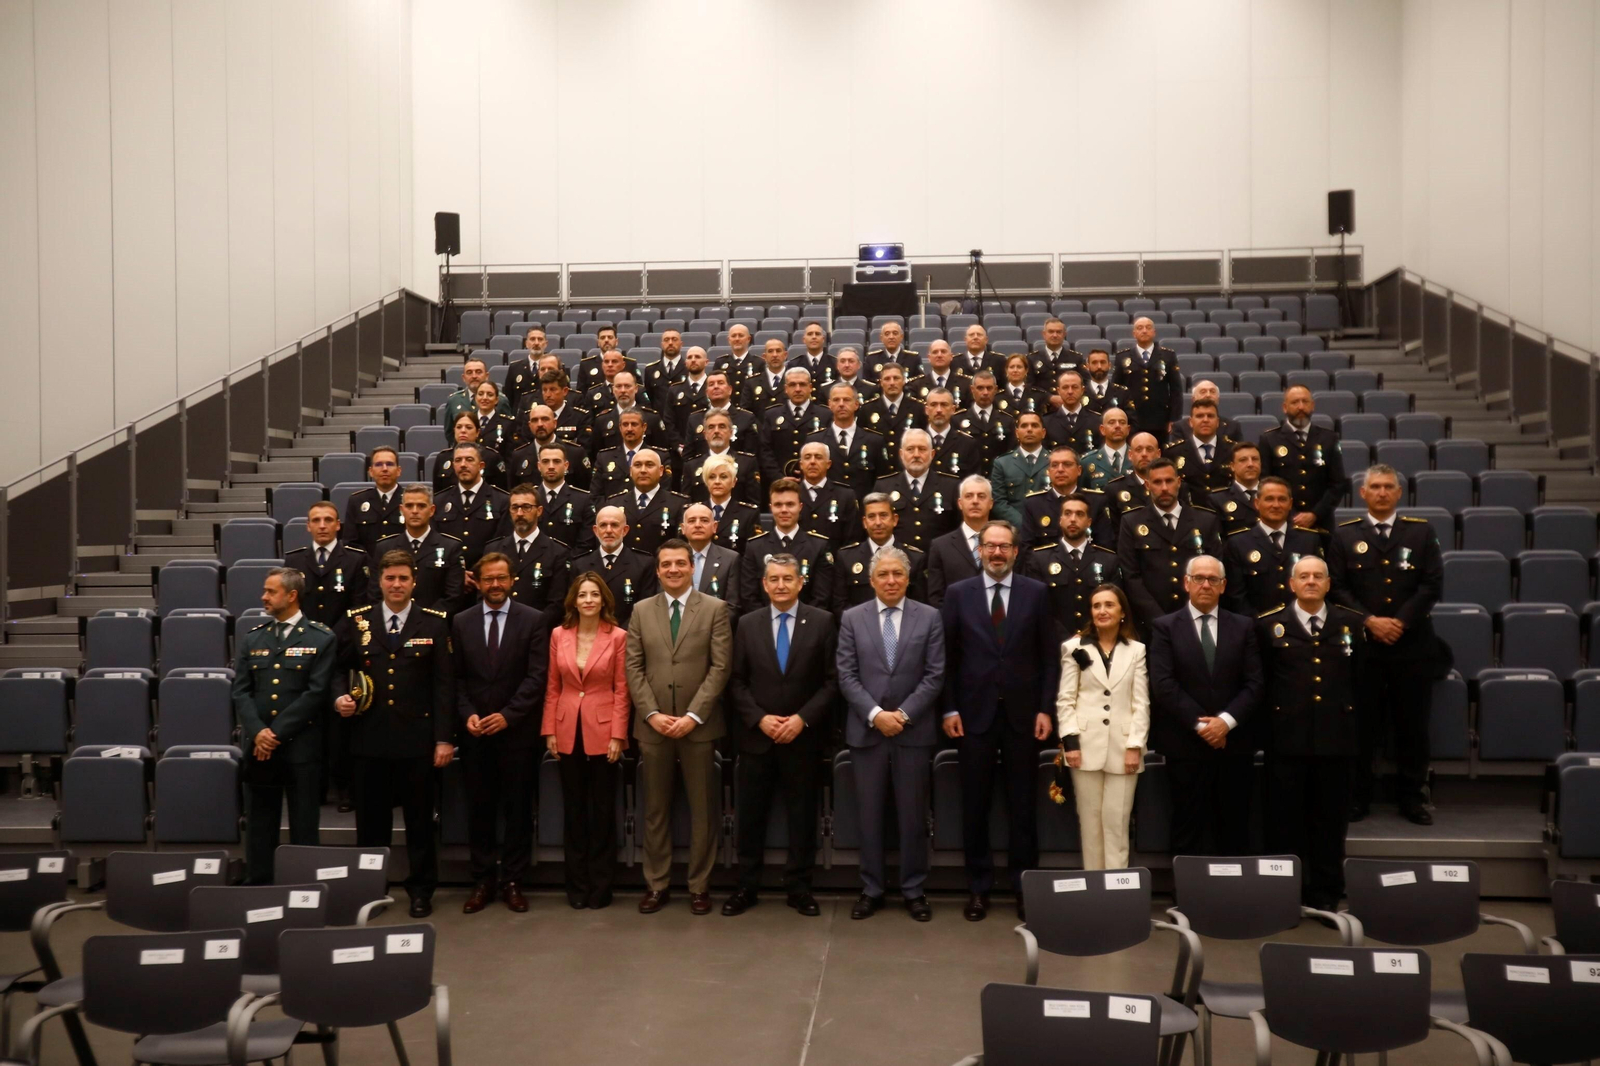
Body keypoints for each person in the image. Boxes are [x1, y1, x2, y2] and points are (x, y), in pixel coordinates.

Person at [940, 520, 1058, 921]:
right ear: (979, 552)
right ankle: (978, 888)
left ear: (1015, 551)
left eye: (1003, 547)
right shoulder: (958, 594)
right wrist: (950, 708)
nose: (995, 553)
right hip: (972, 717)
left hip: (1025, 717)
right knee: (975, 805)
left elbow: (1049, 658)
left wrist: (1046, 709)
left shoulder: (1037, 593)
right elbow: (948, 659)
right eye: (989, 547)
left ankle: (1025, 889)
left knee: (1023, 807)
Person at [335, 551, 457, 918]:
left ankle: (421, 891)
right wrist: (339, 696)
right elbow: (338, 669)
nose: (397, 585)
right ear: (380, 581)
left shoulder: (433, 624)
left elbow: (444, 687)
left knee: (420, 823)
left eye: (404, 578)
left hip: (417, 741)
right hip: (369, 739)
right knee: (371, 826)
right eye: (390, 578)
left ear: (414, 581)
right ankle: (371, 890)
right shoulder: (357, 622)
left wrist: (443, 738)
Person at [1329, 464, 1446, 825]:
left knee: (1412, 727)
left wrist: (1400, 622)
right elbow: (1337, 587)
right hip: (1363, 648)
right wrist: (1369, 621)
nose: (1381, 492)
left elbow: (1431, 584)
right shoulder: (1344, 536)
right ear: (1362, 494)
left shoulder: (1421, 533)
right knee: (1361, 727)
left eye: (1388, 487)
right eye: (1374, 487)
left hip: (1411, 646)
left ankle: (1412, 798)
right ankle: (1356, 797)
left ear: (1399, 493)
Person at [723, 555, 839, 917]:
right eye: (773, 579)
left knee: (802, 816)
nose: (780, 585)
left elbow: (832, 681)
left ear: (800, 582)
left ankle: (799, 888)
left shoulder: (822, 622)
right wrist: (759, 719)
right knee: (751, 816)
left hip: (802, 738)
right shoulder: (747, 623)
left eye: (788, 579)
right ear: (763, 583)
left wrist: (802, 719)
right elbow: (736, 681)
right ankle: (747, 886)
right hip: (758, 737)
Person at [837, 548, 945, 921]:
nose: (891, 580)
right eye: (883, 574)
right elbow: (847, 675)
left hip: (912, 731)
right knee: (869, 816)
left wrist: (901, 715)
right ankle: (872, 888)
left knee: (913, 816)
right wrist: (875, 714)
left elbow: (935, 675)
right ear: (871, 580)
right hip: (867, 733)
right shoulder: (852, 618)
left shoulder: (929, 617)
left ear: (908, 577)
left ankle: (914, 890)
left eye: (897, 573)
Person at [627, 540, 733, 916]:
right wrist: (653, 713)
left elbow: (720, 668)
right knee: (655, 810)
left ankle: (699, 886)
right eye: (666, 564)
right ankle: (656, 884)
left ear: (692, 568)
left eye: (680, 564)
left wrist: (693, 715)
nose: (673, 570)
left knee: (703, 810)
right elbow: (633, 668)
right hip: (653, 727)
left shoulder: (716, 609)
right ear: (657, 571)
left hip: (698, 726)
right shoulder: (640, 611)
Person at [1259, 556, 1365, 912]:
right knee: (1283, 824)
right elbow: (1262, 685)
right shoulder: (1270, 625)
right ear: (1291, 584)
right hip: (1286, 742)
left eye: (1318, 576)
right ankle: (1283, 898)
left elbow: (1363, 685)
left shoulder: (1351, 624)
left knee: (1330, 824)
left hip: (1336, 742)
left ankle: (1325, 897)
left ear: (1328, 583)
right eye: (1303, 576)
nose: (1310, 581)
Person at [452, 553, 549, 915]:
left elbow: (537, 676)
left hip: (517, 733)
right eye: (488, 579)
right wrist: (468, 715)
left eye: (501, 579)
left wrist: (508, 716)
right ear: (477, 582)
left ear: (513, 581)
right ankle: (482, 880)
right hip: (475, 733)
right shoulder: (461, 622)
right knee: (479, 809)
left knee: (518, 809)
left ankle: (512, 880)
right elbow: (457, 679)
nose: (495, 585)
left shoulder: (534, 620)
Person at [1147, 555, 1263, 856]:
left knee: (1234, 825)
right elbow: (1163, 685)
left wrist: (1225, 722)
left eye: (1213, 579)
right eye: (1199, 578)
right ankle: (1185, 897)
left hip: (1233, 743)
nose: (1206, 585)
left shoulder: (1244, 626)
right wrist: (1203, 725)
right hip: (1185, 743)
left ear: (1224, 586)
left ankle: (1234, 895)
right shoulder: (1164, 627)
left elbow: (1254, 684)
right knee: (1187, 824)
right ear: (1187, 583)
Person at [232, 568, 336, 883]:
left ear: (291, 595)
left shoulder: (321, 638)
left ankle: (304, 890)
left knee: (305, 823)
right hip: (260, 747)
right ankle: (259, 884)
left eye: (271, 591)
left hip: (300, 747)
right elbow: (241, 690)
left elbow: (316, 693)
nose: (264, 597)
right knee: (260, 822)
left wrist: (274, 734)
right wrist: (257, 731)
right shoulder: (254, 637)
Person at [543, 572, 630, 909]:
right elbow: (553, 686)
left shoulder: (618, 636)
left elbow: (622, 690)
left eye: (595, 595)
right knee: (574, 812)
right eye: (583, 595)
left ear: (604, 600)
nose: (589, 600)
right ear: (574, 601)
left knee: (602, 812)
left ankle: (601, 887)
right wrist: (549, 729)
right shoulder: (558, 634)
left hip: (604, 731)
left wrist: (618, 735)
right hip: (566, 731)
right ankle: (576, 887)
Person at [1055, 584, 1148, 870]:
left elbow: (1140, 703)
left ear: (1122, 612)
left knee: (1117, 823)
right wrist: (1071, 743)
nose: (1102, 610)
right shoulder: (1074, 647)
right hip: (1084, 747)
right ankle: (1094, 891)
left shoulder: (1136, 650)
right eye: (1096, 606)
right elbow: (1066, 699)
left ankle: (1117, 891)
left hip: (1124, 749)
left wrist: (1135, 746)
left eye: (1109, 605)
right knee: (1091, 824)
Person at [1117, 458, 1224, 632]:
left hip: (1198, 619)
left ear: (1178, 482)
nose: (1164, 488)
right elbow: (1131, 577)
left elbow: (1215, 569)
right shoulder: (1131, 522)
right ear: (1147, 486)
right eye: (1157, 482)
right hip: (1151, 623)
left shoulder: (1205, 520)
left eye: (1169, 481)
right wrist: (1159, 620)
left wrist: (1194, 614)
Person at [1025, 493, 1122, 642]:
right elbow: (1038, 607)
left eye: (1079, 514)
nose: (1073, 519)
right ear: (1060, 520)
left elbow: (1114, 606)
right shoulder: (1039, 559)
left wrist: (1089, 637)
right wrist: (1067, 640)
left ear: (1089, 522)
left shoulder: (1108, 560)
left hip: (1098, 642)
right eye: (1067, 513)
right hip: (1054, 645)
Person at [1223, 476, 1323, 615]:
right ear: (1257, 503)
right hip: (1256, 629)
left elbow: (1319, 588)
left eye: (1282, 499)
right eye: (1269, 499)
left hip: (1300, 628)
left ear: (1290, 504)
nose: (1276, 505)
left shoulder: (1309, 540)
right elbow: (1236, 597)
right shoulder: (1238, 543)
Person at [1259, 385, 1349, 532]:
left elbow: (1337, 484)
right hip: (1282, 523)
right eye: (1295, 402)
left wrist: (1315, 514)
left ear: (1312, 406)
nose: (1301, 407)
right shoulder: (1269, 440)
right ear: (1285, 407)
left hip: (1321, 524)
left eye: (1305, 402)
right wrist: (1291, 515)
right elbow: (1264, 482)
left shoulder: (1329, 439)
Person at [740, 479, 835, 613]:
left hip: (807, 625)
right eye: (778, 505)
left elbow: (821, 597)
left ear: (800, 507)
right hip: (764, 625)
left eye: (790, 504)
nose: (784, 510)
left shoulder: (818, 546)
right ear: (771, 507)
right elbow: (749, 596)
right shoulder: (755, 547)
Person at [557, 505, 658, 627]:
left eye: (614, 525)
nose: (608, 530)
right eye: (603, 525)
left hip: (629, 636)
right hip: (590, 635)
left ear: (625, 530)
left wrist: (619, 636)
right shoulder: (580, 564)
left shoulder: (643, 563)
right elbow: (573, 607)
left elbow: (645, 609)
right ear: (595, 530)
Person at [373, 485, 466, 614]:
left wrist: (427, 619)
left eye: (421, 506)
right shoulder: (384, 548)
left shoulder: (450, 547)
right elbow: (375, 594)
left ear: (432, 510)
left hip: (435, 625)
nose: (415, 511)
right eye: (409, 506)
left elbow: (453, 596)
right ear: (401, 510)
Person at [482, 483, 568, 620]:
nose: (520, 513)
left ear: (539, 511)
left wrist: (532, 627)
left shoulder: (556, 552)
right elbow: (483, 595)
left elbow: (557, 603)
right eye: (515, 508)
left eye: (526, 507)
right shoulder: (494, 549)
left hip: (537, 631)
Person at [833, 492, 929, 611]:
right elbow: (840, 605)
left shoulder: (915, 558)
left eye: (883, 515)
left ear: (895, 519)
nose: (878, 522)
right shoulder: (846, 558)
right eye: (871, 516)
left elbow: (920, 606)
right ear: (864, 522)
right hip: (860, 627)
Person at [872, 429, 961, 552]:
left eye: (922, 449)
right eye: (910, 449)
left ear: (932, 454)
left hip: (938, 561)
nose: (916, 455)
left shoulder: (951, 486)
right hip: (897, 562)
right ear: (901, 454)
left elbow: (958, 530)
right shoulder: (884, 486)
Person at [284, 501, 368, 625]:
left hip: (343, 640)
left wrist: (333, 637)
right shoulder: (294, 561)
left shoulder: (356, 559)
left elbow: (359, 606)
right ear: (308, 526)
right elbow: (289, 604)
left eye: (328, 520)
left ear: (338, 525)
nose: (322, 526)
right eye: (316, 520)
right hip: (304, 638)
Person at [435, 442, 513, 567]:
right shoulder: (439, 501)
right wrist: (458, 573)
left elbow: (502, 543)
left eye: (469, 460)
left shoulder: (502, 501)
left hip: (488, 576)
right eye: (458, 460)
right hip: (449, 575)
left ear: (481, 465)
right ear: (453, 465)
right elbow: (436, 543)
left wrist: (480, 572)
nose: (463, 465)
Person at [804, 382, 888, 497]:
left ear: (856, 404)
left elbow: (882, 481)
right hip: (828, 508)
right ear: (829, 404)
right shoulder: (815, 440)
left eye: (847, 400)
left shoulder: (874, 441)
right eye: (836, 400)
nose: (841, 404)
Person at [925, 475, 993, 607]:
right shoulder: (940, 546)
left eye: (981, 496)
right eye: (969, 496)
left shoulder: (1005, 542)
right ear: (960, 503)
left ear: (991, 503)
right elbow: (936, 598)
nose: (975, 501)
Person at [1109, 317, 1181, 438]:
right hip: (1131, 417)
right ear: (1134, 333)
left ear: (1154, 332)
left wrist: (1174, 419)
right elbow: (1116, 389)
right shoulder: (1122, 356)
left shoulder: (1168, 356)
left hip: (1159, 419)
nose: (1144, 331)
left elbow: (1176, 390)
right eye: (1140, 328)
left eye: (1148, 328)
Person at [758, 367, 828, 487]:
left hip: (815, 483)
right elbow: (765, 451)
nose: (797, 389)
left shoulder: (825, 415)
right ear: (786, 389)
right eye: (792, 385)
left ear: (810, 388)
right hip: (779, 484)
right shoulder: (772, 415)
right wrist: (779, 478)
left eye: (802, 384)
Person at [795, 441, 862, 548]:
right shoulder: (791, 493)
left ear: (828, 464)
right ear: (801, 465)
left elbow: (851, 540)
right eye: (807, 457)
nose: (812, 462)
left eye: (818, 457)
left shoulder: (845, 495)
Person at [1163, 398, 1234, 497]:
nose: (1205, 420)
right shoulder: (1173, 453)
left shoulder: (1233, 450)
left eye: (1210, 416)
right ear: (1191, 422)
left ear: (1218, 422)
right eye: (1199, 416)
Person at [989, 412, 1049, 527]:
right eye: (1024, 426)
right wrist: (1023, 524)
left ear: (1043, 433)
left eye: (1034, 425)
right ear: (1017, 433)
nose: (1029, 429)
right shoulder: (1002, 463)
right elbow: (999, 502)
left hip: (1049, 528)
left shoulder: (1055, 462)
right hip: (1015, 531)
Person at [532, 441, 595, 552]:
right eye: (545, 461)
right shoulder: (529, 497)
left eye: (556, 461)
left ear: (566, 466)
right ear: (539, 466)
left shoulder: (583, 500)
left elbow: (586, 544)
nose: (551, 466)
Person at [344, 447, 405, 554]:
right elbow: (350, 543)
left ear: (398, 471)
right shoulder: (357, 501)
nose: (384, 469)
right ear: (371, 471)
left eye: (390, 464)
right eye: (378, 464)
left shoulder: (410, 500)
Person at [681, 503, 743, 606]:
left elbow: (732, 605)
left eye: (704, 520)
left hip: (716, 621)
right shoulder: (671, 559)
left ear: (714, 527)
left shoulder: (730, 559)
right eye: (692, 521)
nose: (698, 525)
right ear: (683, 528)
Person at [858, 363, 925, 457]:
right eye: (887, 379)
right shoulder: (867, 409)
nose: (892, 383)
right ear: (881, 382)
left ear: (903, 381)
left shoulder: (918, 408)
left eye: (896, 378)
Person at [958, 370, 1016, 471]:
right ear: (972, 389)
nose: (985, 392)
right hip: (969, 480)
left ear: (996, 390)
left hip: (998, 479)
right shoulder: (957, 420)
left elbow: (1011, 455)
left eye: (989, 388)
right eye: (980, 388)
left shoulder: (1007, 420)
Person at [922, 388, 982, 479]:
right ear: (926, 410)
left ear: (953, 409)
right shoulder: (916, 441)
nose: (938, 410)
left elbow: (973, 482)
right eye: (933, 405)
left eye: (944, 405)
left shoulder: (967, 444)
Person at [1208, 439, 1264, 534]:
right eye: (1243, 460)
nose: (1250, 464)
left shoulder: (1275, 494)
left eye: (1255, 459)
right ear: (1232, 466)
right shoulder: (1218, 500)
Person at [1042, 369, 1101, 454]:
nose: (1070, 392)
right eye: (1065, 387)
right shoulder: (1046, 422)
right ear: (1058, 391)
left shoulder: (1097, 421)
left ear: (1082, 390)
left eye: (1075, 387)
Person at [1078, 406, 1132, 490]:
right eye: (1111, 422)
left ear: (1128, 429)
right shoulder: (1087, 462)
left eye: (1122, 422)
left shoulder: (1138, 458)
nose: (1117, 426)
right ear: (1102, 429)